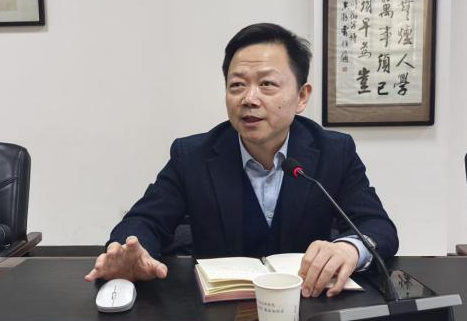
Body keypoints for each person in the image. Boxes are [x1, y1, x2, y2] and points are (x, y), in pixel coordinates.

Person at [85, 23, 398, 297]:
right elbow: (144, 221)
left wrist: (349, 249)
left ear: (302, 96)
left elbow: (378, 226)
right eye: (237, 85)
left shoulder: (334, 151)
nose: (249, 99)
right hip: (220, 319)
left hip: (309, 309)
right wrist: (129, 252)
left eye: (267, 84)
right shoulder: (192, 156)